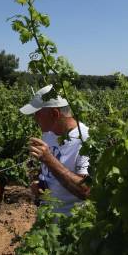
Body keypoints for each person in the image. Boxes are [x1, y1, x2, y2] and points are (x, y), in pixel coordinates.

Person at [20, 84, 90, 215]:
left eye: (38, 114)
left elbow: (85, 191)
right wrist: (40, 184)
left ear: (54, 114)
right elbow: (49, 172)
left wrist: (49, 159)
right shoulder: (49, 134)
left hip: (71, 223)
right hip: (47, 216)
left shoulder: (86, 140)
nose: (35, 118)